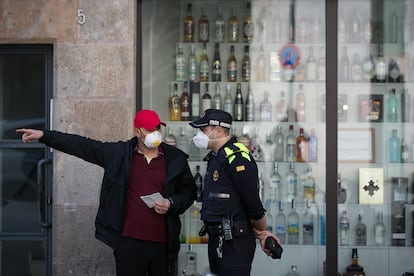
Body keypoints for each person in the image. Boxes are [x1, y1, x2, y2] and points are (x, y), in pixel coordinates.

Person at [17, 109, 197, 276]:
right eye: (150, 129)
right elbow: (81, 145)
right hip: (129, 243)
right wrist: (44, 136)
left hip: (163, 244)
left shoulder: (175, 158)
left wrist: (171, 203)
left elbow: (189, 192)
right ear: (138, 132)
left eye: (158, 127)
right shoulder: (118, 154)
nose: (156, 132)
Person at [189, 109, 279, 276]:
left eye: (203, 130)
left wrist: (262, 233)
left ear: (218, 130)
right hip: (218, 240)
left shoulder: (237, 157)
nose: (199, 134)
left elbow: (253, 204)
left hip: (234, 243)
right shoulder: (217, 157)